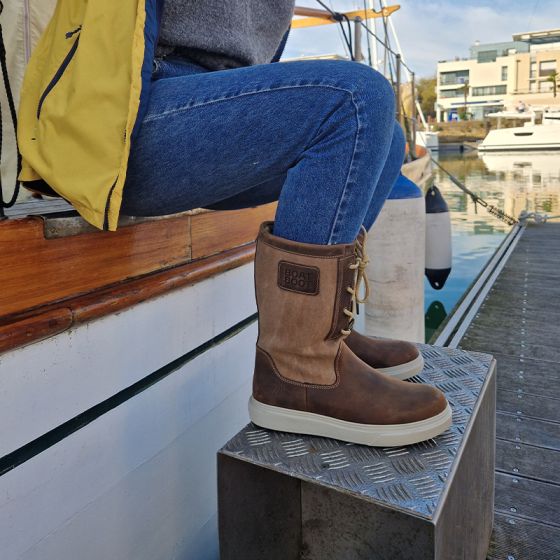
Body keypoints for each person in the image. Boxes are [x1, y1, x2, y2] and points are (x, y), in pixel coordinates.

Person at [21, 1, 451, 446]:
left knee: (385, 138)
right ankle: (298, 368)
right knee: (357, 98)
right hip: (137, 103)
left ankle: (322, 334)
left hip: (211, 106)